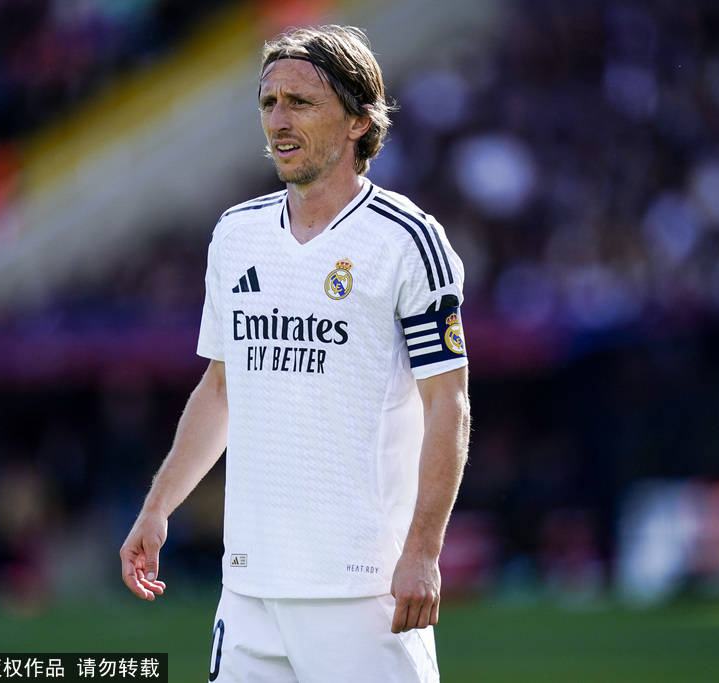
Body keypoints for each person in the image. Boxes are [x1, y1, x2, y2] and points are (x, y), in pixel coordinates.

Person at [120, 25, 470, 682]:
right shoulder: (236, 235)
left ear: (359, 120)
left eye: (300, 102)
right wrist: (157, 507)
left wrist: (424, 549)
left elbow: (448, 401)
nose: (278, 120)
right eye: (269, 102)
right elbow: (221, 388)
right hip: (249, 589)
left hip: (363, 591)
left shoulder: (407, 240)